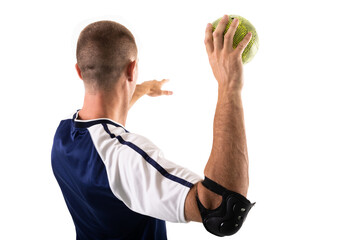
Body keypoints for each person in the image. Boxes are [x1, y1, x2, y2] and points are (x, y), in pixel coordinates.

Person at [51, 15, 254, 240]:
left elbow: (105, 121)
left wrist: (144, 88)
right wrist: (230, 86)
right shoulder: (125, 159)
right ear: (132, 69)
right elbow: (223, 213)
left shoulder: (63, 136)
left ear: (79, 71)